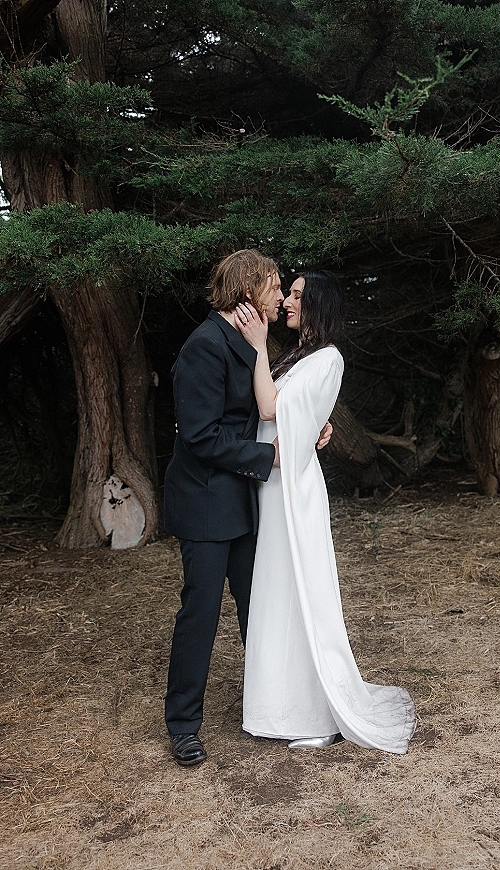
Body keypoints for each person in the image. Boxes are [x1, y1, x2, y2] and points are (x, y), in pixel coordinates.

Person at [235, 271, 416, 753]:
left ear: (317, 305)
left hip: (293, 492)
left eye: (297, 295)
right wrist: (314, 425)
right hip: (275, 487)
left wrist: (257, 345)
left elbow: (272, 409)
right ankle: (280, 704)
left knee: (301, 591)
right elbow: (290, 412)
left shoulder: (329, 357)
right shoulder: (303, 357)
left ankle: (316, 711)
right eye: (288, 294)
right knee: (277, 589)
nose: (287, 301)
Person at [163, 250, 331, 767]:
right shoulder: (204, 346)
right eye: (274, 286)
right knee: (203, 612)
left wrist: (317, 426)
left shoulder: (251, 341)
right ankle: (184, 725)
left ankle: (273, 706)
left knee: (258, 609)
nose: (281, 297)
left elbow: (277, 401)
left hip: (244, 498)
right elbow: (199, 436)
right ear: (247, 291)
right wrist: (270, 456)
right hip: (205, 501)